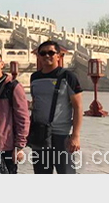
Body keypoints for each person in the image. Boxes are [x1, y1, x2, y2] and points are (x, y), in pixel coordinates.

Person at [30, 40, 83, 174]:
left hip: (61, 134)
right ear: (38, 56)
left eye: (51, 53)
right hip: (40, 134)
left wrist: (75, 136)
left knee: (65, 173)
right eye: (43, 53)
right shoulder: (35, 77)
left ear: (58, 56)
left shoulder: (68, 76)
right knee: (41, 173)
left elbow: (78, 107)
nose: (47, 56)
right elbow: (37, 101)